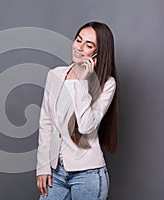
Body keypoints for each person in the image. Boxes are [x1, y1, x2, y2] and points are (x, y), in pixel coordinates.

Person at [36, 21, 118, 200]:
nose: (79, 48)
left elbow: (86, 127)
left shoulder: (107, 84)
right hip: (55, 172)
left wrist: (82, 82)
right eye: (78, 40)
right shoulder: (55, 74)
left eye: (88, 45)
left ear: (97, 54)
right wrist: (42, 167)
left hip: (88, 175)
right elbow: (46, 123)